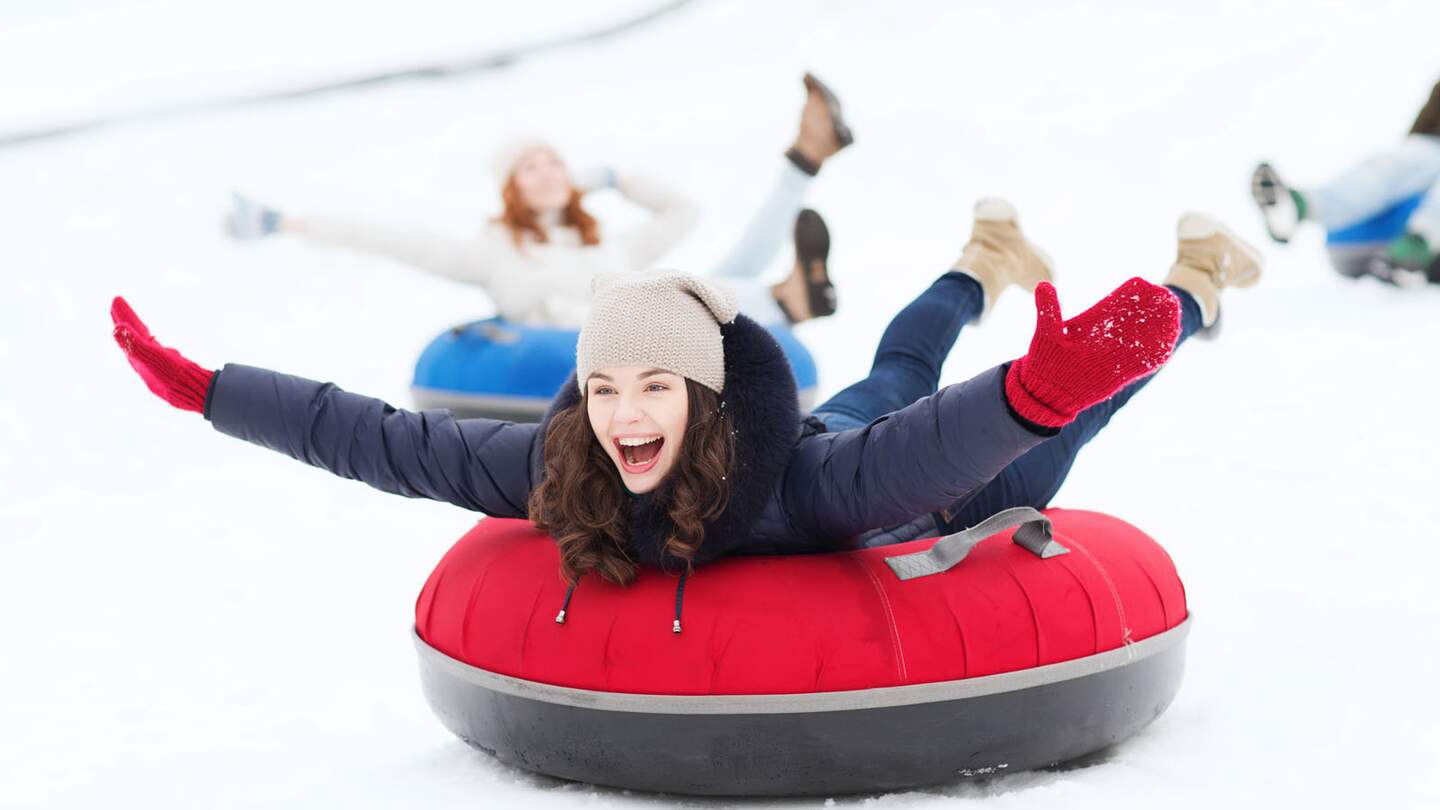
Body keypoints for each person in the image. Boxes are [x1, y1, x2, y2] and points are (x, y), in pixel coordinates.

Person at [111, 199, 1260, 619]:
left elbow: (919, 459)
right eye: (605, 389)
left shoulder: (803, 487)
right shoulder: (566, 470)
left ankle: (1190, 286)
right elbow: (387, 440)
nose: (624, 414)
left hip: (941, 485)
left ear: (702, 399)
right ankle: (988, 249)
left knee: (1020, 398)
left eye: (654, 387)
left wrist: (1032, 396)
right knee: (898, 368)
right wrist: (213, 392)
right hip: (845, 434)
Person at [224, 73, 854, 328]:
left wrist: (615, 179)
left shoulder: (605, 240)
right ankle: (786, 296)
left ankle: (807, 153)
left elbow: (685, 213)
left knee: (728, 270)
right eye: (531, 165)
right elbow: (390, 238)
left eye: (555, 160)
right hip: (608, 340)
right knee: (703, 285)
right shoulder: (492, 251)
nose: (548, 171)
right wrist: (286, 221)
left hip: (661, 310)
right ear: (512, 187)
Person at [1252, 78, 1440, 285]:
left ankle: (1420, 242)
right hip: (1361, 243)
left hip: (1421, 245)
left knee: (1414, 156)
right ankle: (1300, 207)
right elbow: (1415, 142)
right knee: (1408, 157)